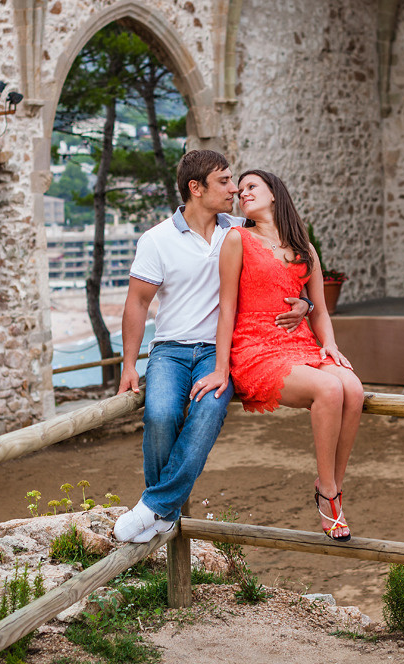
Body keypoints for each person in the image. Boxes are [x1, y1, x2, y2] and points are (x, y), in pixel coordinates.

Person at [113, 151, 312, 544]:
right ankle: (164, 511)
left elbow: (288, 265)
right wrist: (129, 364)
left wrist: (304, 302)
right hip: (169, 349)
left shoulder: (241, 229)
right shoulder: (156, 240)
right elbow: (137, 303)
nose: (235, 188)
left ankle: (153, 508)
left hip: (220, 352)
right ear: (196, 188)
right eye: (224, 181)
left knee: (207, 415)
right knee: (161, 415)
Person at [190, 170, 365, 540]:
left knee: (353, 388)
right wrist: (222, 367)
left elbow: (318, 308)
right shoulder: (237, 239)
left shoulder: (304, 247)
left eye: (252, 186)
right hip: (255, 347)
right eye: (240, 190)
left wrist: (329, 345)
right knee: (330, 391)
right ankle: (330, 497)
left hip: (301, 344)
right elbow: (226, 307)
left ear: (274, 194)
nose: (242, 193)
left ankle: (329, 482)